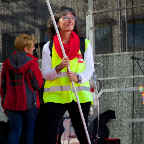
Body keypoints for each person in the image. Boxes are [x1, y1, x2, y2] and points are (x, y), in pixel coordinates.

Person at [42, 6, 95, 144]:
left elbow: (90, 69)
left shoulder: (84, 44)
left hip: (79, 96)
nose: (70, 20)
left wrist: (78, 77)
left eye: (72, 18)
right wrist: (58, 68)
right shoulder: (48, 47)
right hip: (55, 96)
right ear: (57, 22)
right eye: (65, 17)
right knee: (50, 133)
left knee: (83, 134)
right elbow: (46, 74)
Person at [0, 34, 43, 144]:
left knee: (14, 132)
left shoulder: (6, 63)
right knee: (28, 133)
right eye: (33, 47)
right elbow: (38, 84)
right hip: (29, 103)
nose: (34, 49)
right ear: (26, 48)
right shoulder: (32, 63)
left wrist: (4, 102)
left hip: (11, 103)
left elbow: (3, 86)